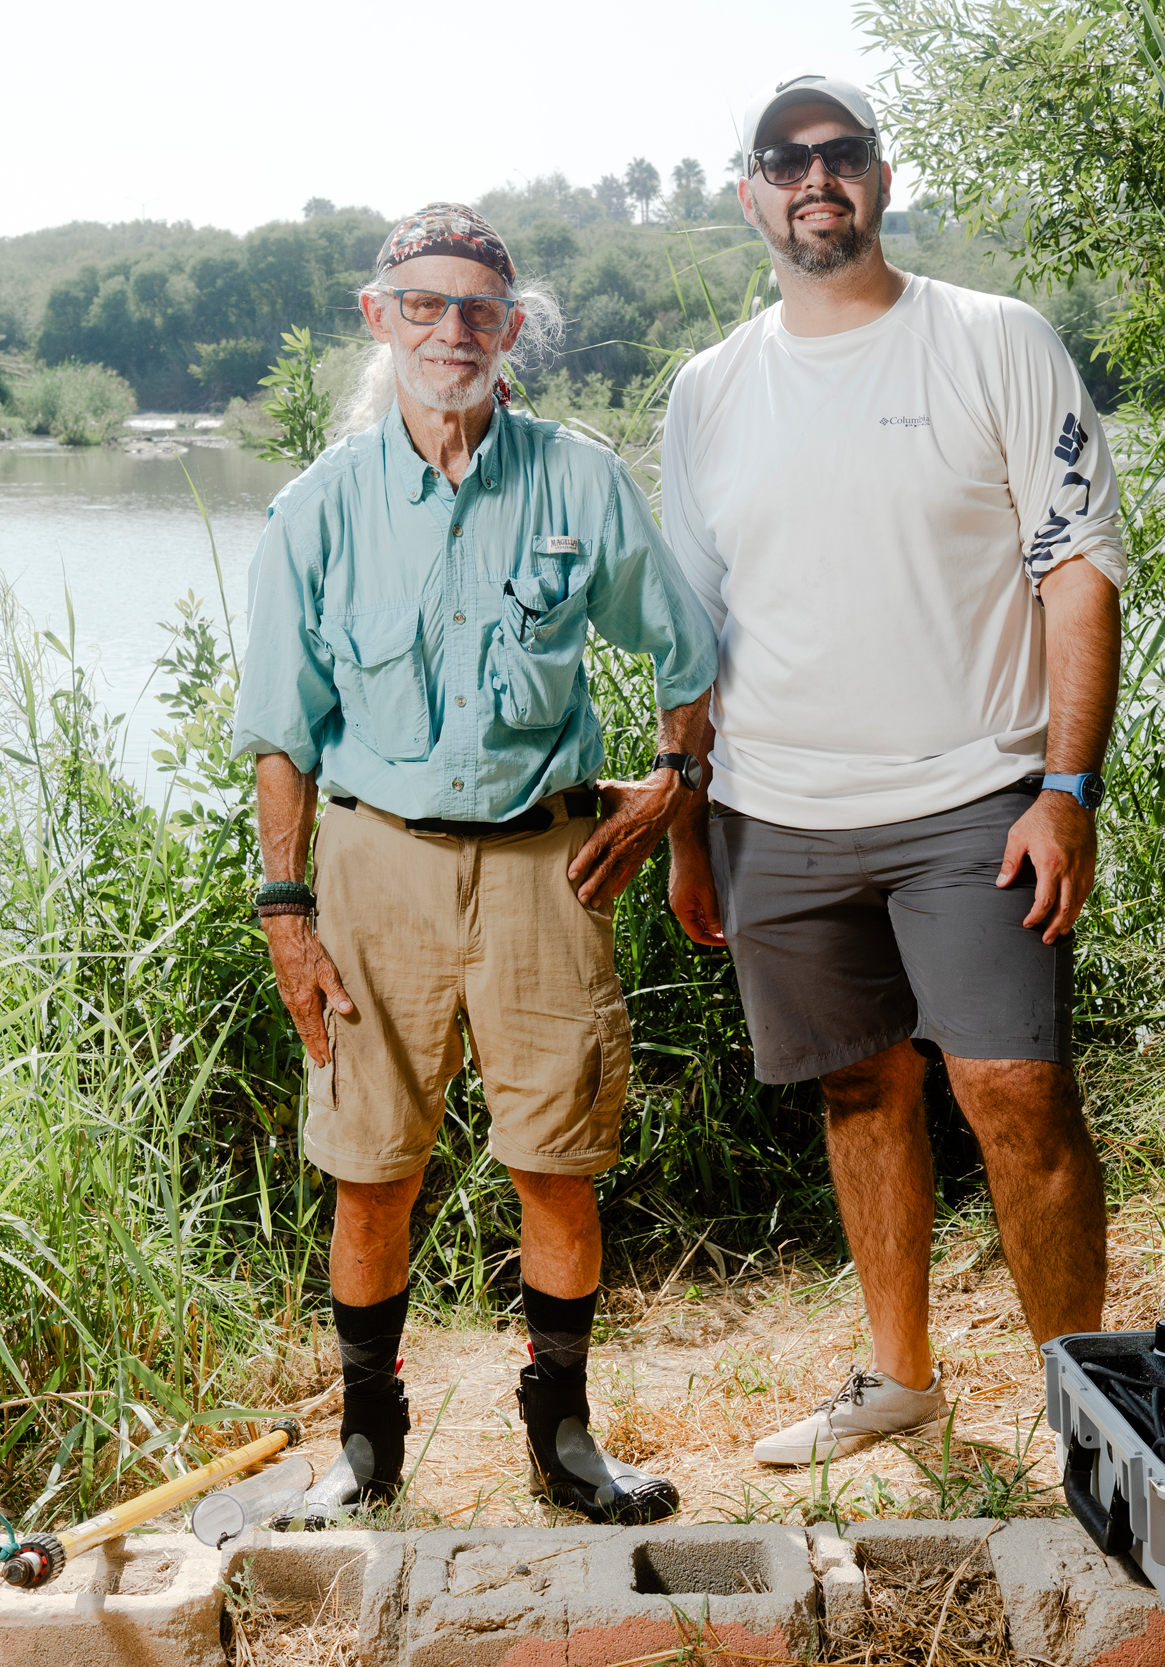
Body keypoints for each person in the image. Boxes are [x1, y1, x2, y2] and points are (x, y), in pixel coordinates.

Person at [657, 77, 1126, 1465]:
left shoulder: (995, 341)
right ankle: (898, 1379)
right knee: (859, 1087)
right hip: (774, 812)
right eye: (785, 161)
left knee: (1015, 1091)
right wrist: (687, 820)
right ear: (751, 195)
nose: (816, 179)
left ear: (878, 176)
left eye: (841, 153)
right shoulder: (707, 392)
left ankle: (1082, 1410)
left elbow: (1080, 573)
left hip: (977, 800)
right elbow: (689, 626)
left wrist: (1068, 788)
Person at [232, 202, 718, 1523]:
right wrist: (287, 910)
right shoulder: (316, 509)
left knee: (556, 1163)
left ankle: (565, 1447)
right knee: (369, 1167)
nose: (454, 330)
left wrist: (675, 787)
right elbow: (282, 730)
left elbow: (690, 654)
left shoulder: (576, 481)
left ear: (512, 332)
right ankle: (368, 1451)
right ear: (379, 318)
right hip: (370, 868)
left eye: (479, 310)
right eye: (426, 305)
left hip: (541, 872)